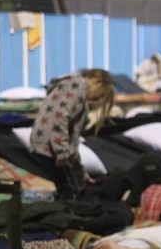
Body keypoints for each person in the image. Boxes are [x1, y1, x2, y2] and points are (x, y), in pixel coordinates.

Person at [30, 68, 114, 200]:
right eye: (100, 95)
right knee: (68, 191)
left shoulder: (70, 88)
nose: (97, 100)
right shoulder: (78, 85)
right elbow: (59, 118)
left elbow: (72, 143)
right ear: (97, 81)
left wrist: (81, 175)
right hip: (51, 146)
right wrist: (62, 152)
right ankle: (63, 218)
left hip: (49, 145)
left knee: (67, 187)